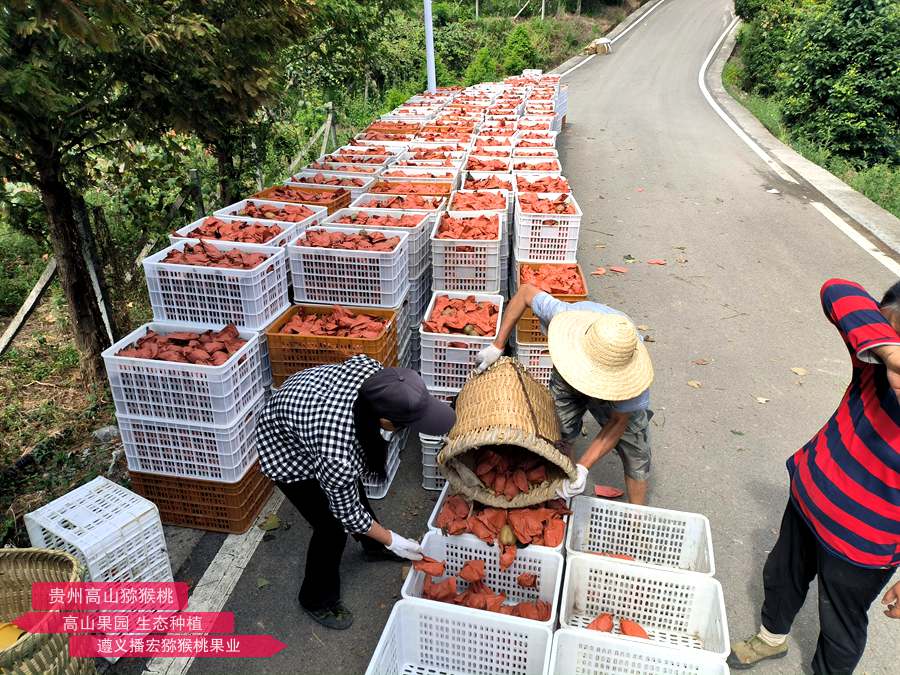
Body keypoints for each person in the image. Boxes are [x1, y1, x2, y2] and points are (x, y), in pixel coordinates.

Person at [728, 278, 900, 673]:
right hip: (809, 501)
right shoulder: (872, 363)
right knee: (781, 576)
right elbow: (838, 291)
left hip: (863, 548)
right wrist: (889, 353)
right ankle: (771, 639)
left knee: (841, 627)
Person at [256, 355, 456, 630]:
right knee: (331, 529)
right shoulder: (338, 454)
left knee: (351, 492)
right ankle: (315, 598)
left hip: (307, 408)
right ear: (385, 421)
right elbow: (346, 512)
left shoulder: (376, 376)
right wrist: (392, 539)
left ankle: (372, 547)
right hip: (284, 448)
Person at [475, 283, 654, 504]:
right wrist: (497, 345)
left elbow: (618, 423)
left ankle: (637, 519)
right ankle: (565, 485)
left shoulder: (632, 381)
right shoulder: (564, 316)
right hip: (569, 373)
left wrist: (584, 466)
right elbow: (525, 292)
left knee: (636, 449)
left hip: (615, 389)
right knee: (560, 429)